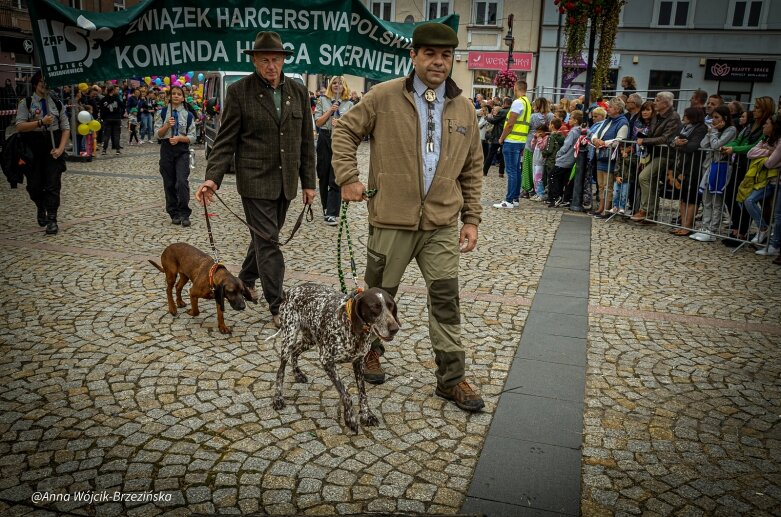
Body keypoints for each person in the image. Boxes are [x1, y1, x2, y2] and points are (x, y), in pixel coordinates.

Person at [331, 22, 485, 412]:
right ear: (413, 56)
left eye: (446, 55)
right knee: (378, 296)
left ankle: (451, 379)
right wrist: (348, 177)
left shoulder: (464, 107)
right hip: (390, 221)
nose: (438, 62)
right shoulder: (383, 96)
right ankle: (369, 351)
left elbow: (472, 167)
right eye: (430, 54)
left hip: (441, 225)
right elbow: (344, 131)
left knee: (446, 300)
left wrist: (472, 218)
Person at [195, 31, 316, 329]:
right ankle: (279, 306)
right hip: (254, 181)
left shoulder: (298, 91)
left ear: (284, 60)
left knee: (264, 239)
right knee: (269, 243)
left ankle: (247, 278)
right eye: (264, 60)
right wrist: (213, 178)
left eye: (276, 59)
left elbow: (305, 142)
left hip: (286, 182)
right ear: (254, 61)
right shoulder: (239, 91)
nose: (271, 66)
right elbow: (225, 141)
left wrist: (309, 182)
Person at [14, 71, 70, 235]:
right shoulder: (27, 103)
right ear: (35, 84)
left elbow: (65, 128)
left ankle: (52, 220)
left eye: (46, 83)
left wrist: (60, 149)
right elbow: (19, 126)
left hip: (52, 147)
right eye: (41, 83)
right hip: (33, 149)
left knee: (53, 185)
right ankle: (40, 206)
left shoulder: (57, 103)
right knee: (34, 186)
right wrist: (40, 122)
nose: (44, 86)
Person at [630, 92, 683, 223]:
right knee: (652, 183)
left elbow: (666, 138)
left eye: (657, 100)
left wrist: (645, 141)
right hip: (653, 153)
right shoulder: (657, 115)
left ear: (666, 103)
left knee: (644, 177)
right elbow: (652, 132)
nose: (655, 102)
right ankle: (650, 215)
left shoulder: (673, 117)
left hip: (666, 155)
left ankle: (644, 209)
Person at [314, 75, 354, 226]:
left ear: (344, 87)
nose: (337, 86)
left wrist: (342, 123)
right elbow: (318, 122)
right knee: (323, 175)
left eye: (340, 84)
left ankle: (332, 213)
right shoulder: (322, 100)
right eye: (334, 83)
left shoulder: (349, 104)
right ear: (331, 86)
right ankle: (326, 207)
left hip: (339, 140)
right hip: (324, 138)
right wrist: (330, 111)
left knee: (335, 177)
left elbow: (353, 125)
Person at [155, 86, 196, 226]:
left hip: (182, 150)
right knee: (169, 183)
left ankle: (185, 212)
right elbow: (157, 134)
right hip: (166, 149)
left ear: (183, 98)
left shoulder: (188, 115)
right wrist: (167, 126)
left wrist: (180, 138)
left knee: (182, 182)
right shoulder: (162, 113)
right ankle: (174, 213)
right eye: (174, 93)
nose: (176, 96)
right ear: (169, 96)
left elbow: (193, 137)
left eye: (179, 94)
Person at [664, 107, 708, 236]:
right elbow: (670, 140)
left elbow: (693, 146)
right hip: (681, 166)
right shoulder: (684, 127)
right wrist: (676, 142)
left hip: (694, 167)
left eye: (687, 115)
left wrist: (679, 144)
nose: (684, 117)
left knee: (691, 198)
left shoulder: (701, 128)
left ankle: (688, 226)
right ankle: (683, 224)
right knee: (683, 198)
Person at [494, 80, 532, 208]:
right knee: (516, 170)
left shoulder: (517, 102)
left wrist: (501, 138)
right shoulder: (527, 102)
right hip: (521, 140)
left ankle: (509, 200)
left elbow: (510, 124)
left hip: (512, 140)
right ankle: (515, 198)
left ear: (516, 88)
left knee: (511, 171)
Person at [482, 96, 510, 177]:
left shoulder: (503, 111)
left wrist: (487, 117)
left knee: (491, 154)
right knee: (502, 155)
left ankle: (484, 171)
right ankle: (501, 173)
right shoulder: (510, 111)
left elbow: (494, 121)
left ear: (505, 103)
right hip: (506, 136)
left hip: (498, 135)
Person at [100, 85, 124, 155]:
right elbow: (123, 105)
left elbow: (102, 110)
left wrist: (103, 118)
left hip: (107, 118)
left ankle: (104, 150)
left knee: (106, 135)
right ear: (112, 91)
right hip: (116, 118)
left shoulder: (103, 99)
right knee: (116, 134)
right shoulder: (116, 98)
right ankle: (117, 150)